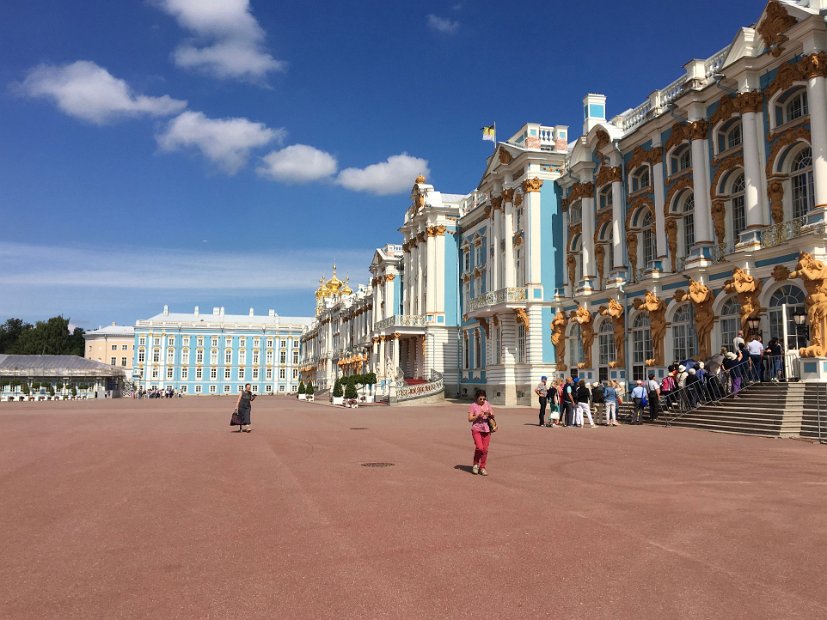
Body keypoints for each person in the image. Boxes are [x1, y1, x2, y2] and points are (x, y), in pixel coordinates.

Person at [467, 389, 494, 476]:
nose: (482, 400)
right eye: (480, 399)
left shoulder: (487, 404)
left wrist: (489, 414)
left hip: (486, 430)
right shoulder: (473, 406)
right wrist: (477, 415)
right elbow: (469, 419)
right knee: (479, 448)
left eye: (484, 399)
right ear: (476, 398)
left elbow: (493, 415)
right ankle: (475, 465)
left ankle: (482, 467)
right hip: (476, 429)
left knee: (485, 450)